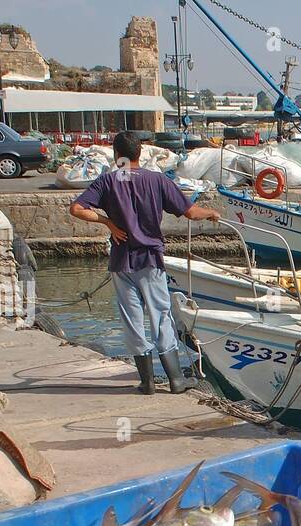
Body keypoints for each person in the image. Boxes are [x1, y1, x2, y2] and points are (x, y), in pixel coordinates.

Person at [69, 131, 219, 395]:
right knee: (161, 316)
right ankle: (175, 380)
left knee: (132, 319)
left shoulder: (107, 181)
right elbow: (191, 212)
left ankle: (147, 382)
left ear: (117, 156)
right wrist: (211, 213)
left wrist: (107, 222)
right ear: (141, 153)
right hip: (150, 260)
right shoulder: (157, 180)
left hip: (121, 261)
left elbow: (77, 209)